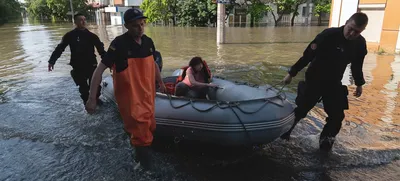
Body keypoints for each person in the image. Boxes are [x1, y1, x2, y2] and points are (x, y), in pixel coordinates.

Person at [85, 8, 165, 171]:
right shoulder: (118, 44)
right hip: (130, 99)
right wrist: (92, 98)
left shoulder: (148, 42)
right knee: (141, 134)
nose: (140, 28)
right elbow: (99, 70)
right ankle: (148, 171)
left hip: (147, 97)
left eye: (142, 24)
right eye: (136, 25)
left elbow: (153, 63)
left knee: (149, 128)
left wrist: (161, 82)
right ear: (127, 26)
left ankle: (137, 155)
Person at [280, 12, 368, 152]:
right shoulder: (328, 35)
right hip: (315, 78)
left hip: (334, 83)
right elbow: (308, 55)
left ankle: (325, 147)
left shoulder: (360, 44)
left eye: (356, 32)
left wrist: (359, 83)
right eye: (350, 28)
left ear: (362, 31)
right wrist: (292, 73)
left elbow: (357, 65)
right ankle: (283, 136)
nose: (351, 33)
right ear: (346, 22)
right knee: (301, 110)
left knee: (337, 117)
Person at [48, 13, 106, 105]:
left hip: (91, 65)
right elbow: (60, 48)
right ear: (75, 22)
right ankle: (87, 104)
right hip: (78, 66)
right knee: (83, 90)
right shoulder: (70, 35)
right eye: (81, 20)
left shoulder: (92, 36)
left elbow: (101, 50)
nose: (83, 22)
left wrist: (109, 63)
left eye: (84, 19)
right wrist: (52, 61)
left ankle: (96, 100)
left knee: (95, 86)